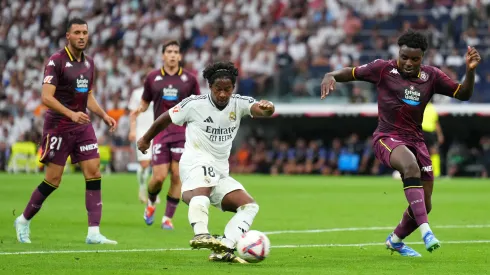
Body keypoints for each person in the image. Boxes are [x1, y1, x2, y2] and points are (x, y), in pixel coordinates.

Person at [320, 30, 480, 257]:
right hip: (387, 137)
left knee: (426, 205)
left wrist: (470, 71)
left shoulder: (431, 76)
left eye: (415, 59)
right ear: (399, 53)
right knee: (410, 166)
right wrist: (331, 74)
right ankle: (427, 233)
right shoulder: (383, 69)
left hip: (417, 141)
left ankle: (395, 240)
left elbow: (462, 94)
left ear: (423, 58)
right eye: (404, 56)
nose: (408, 62)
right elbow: (352, 73)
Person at [137, 61, 275, 263]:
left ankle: (225, 246)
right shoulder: (194, 104)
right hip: (195, 163)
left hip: (219, 171)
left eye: (227, 89)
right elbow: (164, 118)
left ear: (233, 88)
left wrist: (268, 108)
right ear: (210, 87)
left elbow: (262, 110)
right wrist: (146, 139)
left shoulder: (239, 103)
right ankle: (201, 233)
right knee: (204, 185)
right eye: (218, 89)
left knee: (249, 206)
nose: (222, 94)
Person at [14, 18, 118, 244]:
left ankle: (93, 233)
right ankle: (23, 220)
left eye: (85, 32)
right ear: (68, 36)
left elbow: (88, 95)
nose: (82, 36)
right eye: (77, 32)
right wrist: (70, 114)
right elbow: (46, 98)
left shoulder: (89, 63)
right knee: (53, 179)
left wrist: (104, 115)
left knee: (94, 172)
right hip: (58, 126)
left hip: (82, 125)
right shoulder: (56, 61)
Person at [131, 40, 200, 230]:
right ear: (163, 55)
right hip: (160, 133)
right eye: (168, 51)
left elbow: (197, 105)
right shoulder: (153, 78)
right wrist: (138, 110)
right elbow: (145, 102)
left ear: (180, 56)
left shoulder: (190, 79)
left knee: (177, 175)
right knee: (159, 177)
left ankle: (167, 218)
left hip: (181, 133)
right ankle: (151, 203)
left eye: (175, 52)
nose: (172, 54)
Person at [128, 85, 156, 203]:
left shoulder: (158, 92)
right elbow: (132, 113)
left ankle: (153, 191)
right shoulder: (137, 93)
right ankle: (142, 188)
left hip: (155, 130)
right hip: (141, 131)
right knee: (144, 163)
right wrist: (132, 130)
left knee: (155, 163)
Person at [422, 102, 444, 178]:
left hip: (425, 132)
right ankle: (435, 173)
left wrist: (440, 135)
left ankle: (434, 173)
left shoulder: (429, 107)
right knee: (433, 152)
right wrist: (440, 135)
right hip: (426, 132)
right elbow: (436, 123)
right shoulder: (432, 108)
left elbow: (436, 123)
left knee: (428, 152)